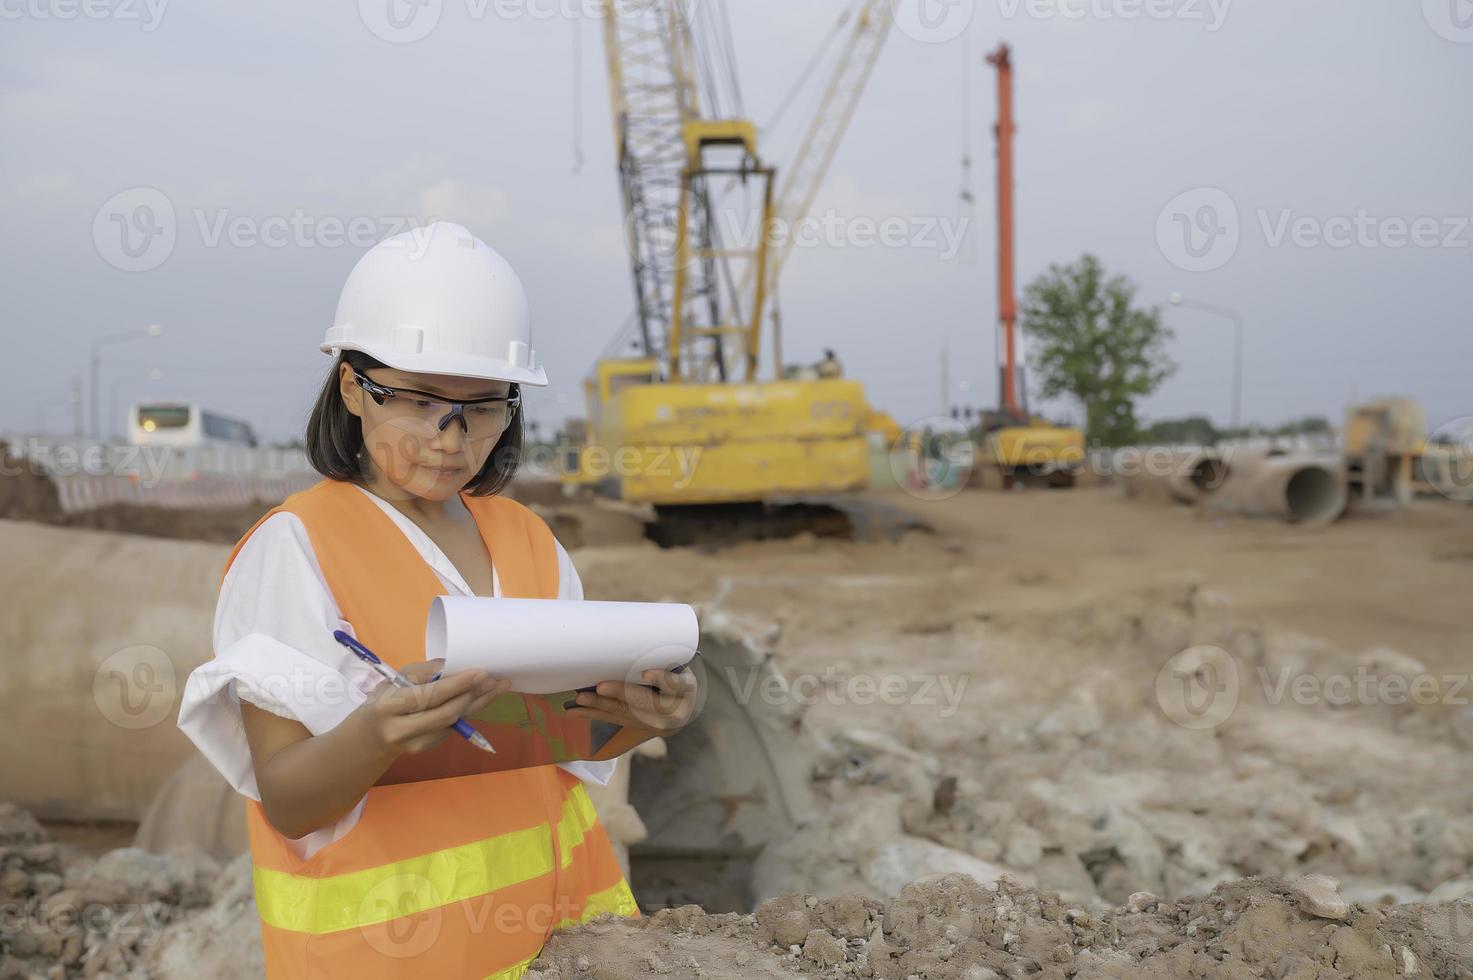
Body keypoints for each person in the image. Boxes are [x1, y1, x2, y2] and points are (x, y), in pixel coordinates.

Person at [177, 221, 695, 978]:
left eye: (482, 408)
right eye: (420, 403)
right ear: (353, 387)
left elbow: (557, 747)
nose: (451, 440)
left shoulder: (527, 540)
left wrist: (637, 721)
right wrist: (374, 738)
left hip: (564, 946)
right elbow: (286, 800)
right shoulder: (297, 548)